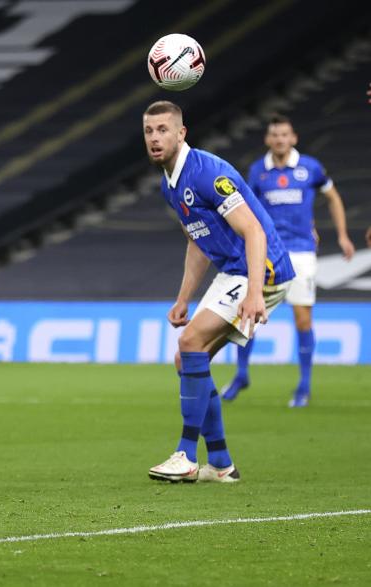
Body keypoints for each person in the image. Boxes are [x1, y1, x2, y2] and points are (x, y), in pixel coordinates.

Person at [143, 101, 295, 483]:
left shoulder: (208, 173)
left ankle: (185, 454)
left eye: (163, 130)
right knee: (187, 360)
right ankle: (222, 464)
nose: (155, 138)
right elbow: (198, 242)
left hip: (263, 268)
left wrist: (256, 293)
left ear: (182, 133)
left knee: (191, 342)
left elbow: (255, 232)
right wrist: (183, 298)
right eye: (148, 131)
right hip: (233, 271)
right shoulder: (169, 184)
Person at [220, 115, 355, 407]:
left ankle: (304, 385)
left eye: (284, 134)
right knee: (249, 315)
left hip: (302, 251)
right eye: (274, 135)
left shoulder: (310, 168)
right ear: (268, 140)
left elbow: (333, 197)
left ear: (293, 138)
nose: (280, 139)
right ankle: (241, 374)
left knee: (302, 318)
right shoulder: (258, 171)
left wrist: (342, 235)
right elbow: (245, 210)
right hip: (267, 253)